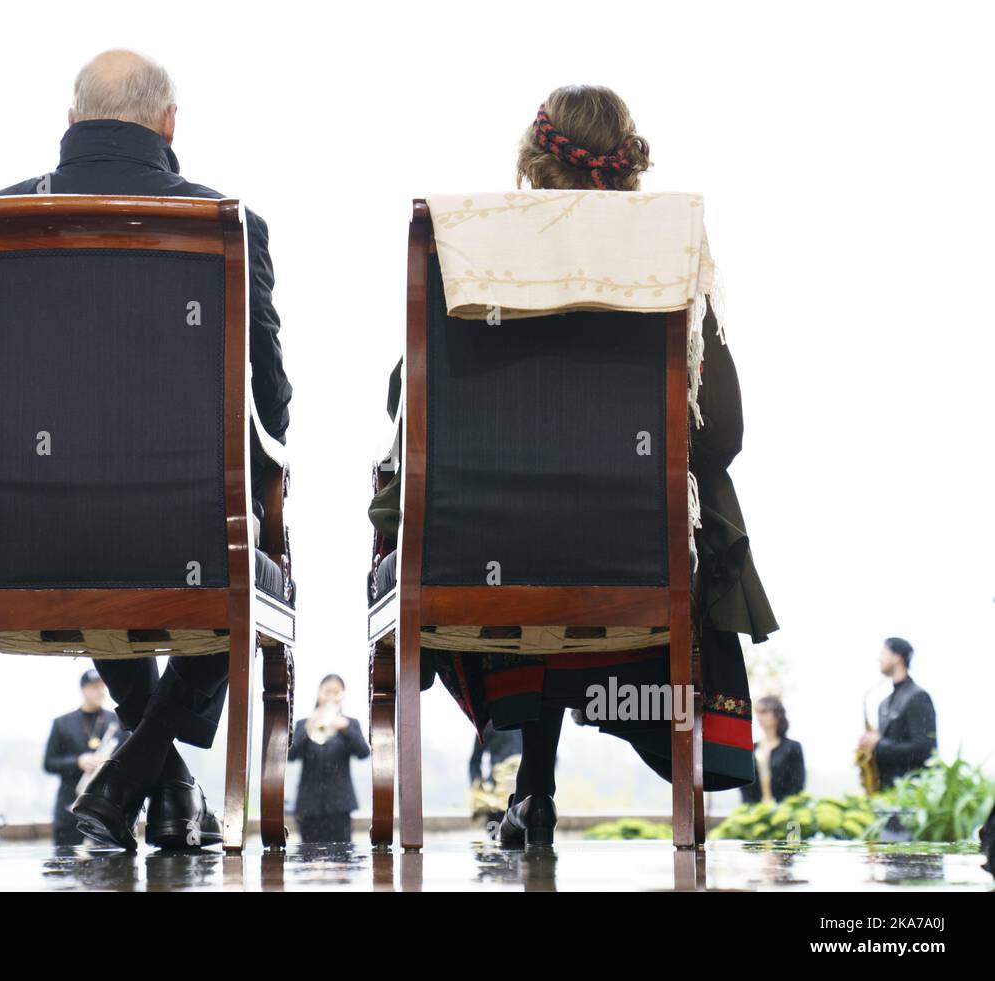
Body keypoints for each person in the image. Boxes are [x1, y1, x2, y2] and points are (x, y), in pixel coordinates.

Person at [366, 85, 776, 848]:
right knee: (613, 518)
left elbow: (410, 407)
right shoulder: (667, 261)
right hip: (634, 553)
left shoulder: (468, 250)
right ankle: (546, 784)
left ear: (531, 163)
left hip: (477, 558)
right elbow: (721, 434)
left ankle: (533, 787)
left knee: (519, 534)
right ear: (629, 169)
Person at [0, 49, 292, 852]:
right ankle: (145, 772)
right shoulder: (229, 225)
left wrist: (30, 462)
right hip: (190, 537)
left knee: (91, 517)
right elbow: (273, 411)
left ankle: (149, 780)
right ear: (169, 125)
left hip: (28, 531)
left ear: (69, 123)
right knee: (246, 540)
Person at [288, 675, 370, 844]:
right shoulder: (303, 723)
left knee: (342, 858)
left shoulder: (350, 724)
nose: (331, 696)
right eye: (327, 692)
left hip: (340, 805)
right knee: (308, 858)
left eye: (336, 692)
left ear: (343, 695)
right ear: (319, 693)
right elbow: (290, 755)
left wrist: (346, 729)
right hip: (308, 805)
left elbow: (363, 752)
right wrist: (308, 728)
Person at [43, 669, 118, 847]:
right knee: (66, 864)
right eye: (94, 686)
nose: (100, 691)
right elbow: (49, 763)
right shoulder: (62, 723)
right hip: (70, 805)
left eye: (102, 686)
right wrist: (78, 762)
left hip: (106, 807)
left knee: (112, 865)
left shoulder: (116, 721)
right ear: (83, 689)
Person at [858, 637, 937, 787]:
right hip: (886, 789)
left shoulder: (918, 697)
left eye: (883, 653)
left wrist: (879, 744)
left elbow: (925, 750)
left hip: (912, 792)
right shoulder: (884, 704)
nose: (878, 659)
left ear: (897, 657)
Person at [740, 695, 805, 804]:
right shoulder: (751, 748)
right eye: (758, 713)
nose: (759, 717)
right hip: (754, 813)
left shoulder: (793, 747)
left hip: (785, 813)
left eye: (764, 712)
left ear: (777, 715)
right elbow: (744, 785)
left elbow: (797, 784)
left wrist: (781, 810)